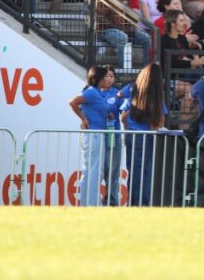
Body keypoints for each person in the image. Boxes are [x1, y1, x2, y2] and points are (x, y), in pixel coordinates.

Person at [68, 65, 117, 207]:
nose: (107, 80)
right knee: (92, 170)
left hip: (97, 133)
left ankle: (91, 202)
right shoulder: (91, 92)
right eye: (104, 77)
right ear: (98, 79)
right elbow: (73, 102)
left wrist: (108, 114)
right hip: (93, 134)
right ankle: (90, 203)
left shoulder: (96, 93)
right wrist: (83, 119)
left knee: (94, 170)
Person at [118, 63, 167, 207]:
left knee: (133, 171)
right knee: (146, 171)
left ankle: (133, 202)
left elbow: (123, 115)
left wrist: (127, 129)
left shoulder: (133, 90)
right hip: (147, 136)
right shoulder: (156, 96)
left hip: (132, 136)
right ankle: (143, 203)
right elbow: (159, 121)